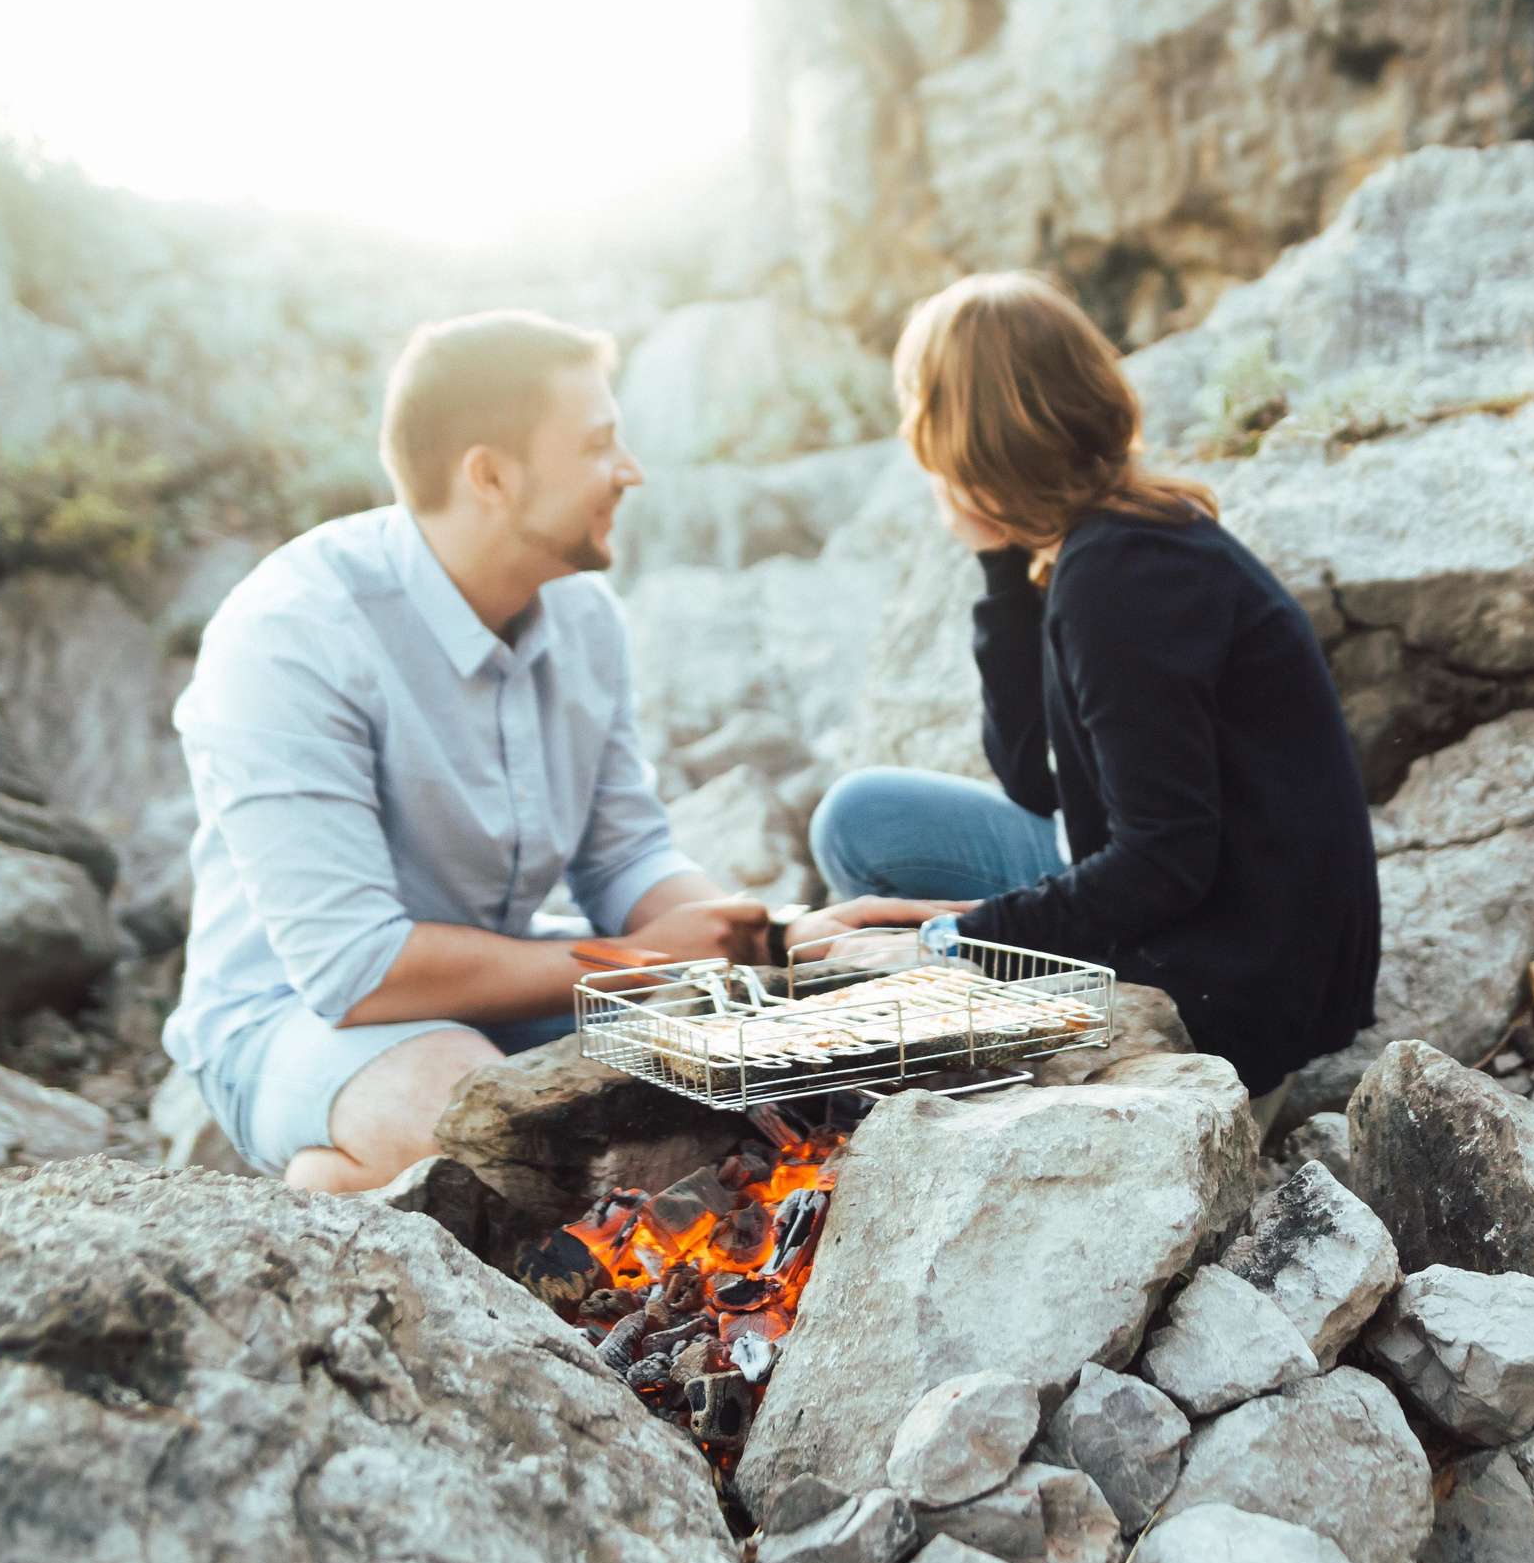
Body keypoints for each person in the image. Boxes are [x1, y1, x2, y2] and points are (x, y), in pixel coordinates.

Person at [164, 310, 943, 1192]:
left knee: (752, 1058)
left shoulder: (583, 613)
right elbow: (356, 968)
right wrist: (644, 960)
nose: (631, 470)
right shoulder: (292, 633)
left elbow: (624, 858)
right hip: (292, 1015)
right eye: (600, 444)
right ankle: (324, 1197)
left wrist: (775, 935)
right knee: (472, 1114)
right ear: (491, 476)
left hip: (513, 979)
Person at [809, 272, 1381, 1115]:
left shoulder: (1125, 574)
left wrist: (959, 939)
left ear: (960, 439)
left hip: (1231, 969)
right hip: (1208, 907)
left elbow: (1165, 861)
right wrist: (1000, 562)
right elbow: (1033, 783)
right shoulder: (1112, 543)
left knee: (890, 954)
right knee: (859, 817)